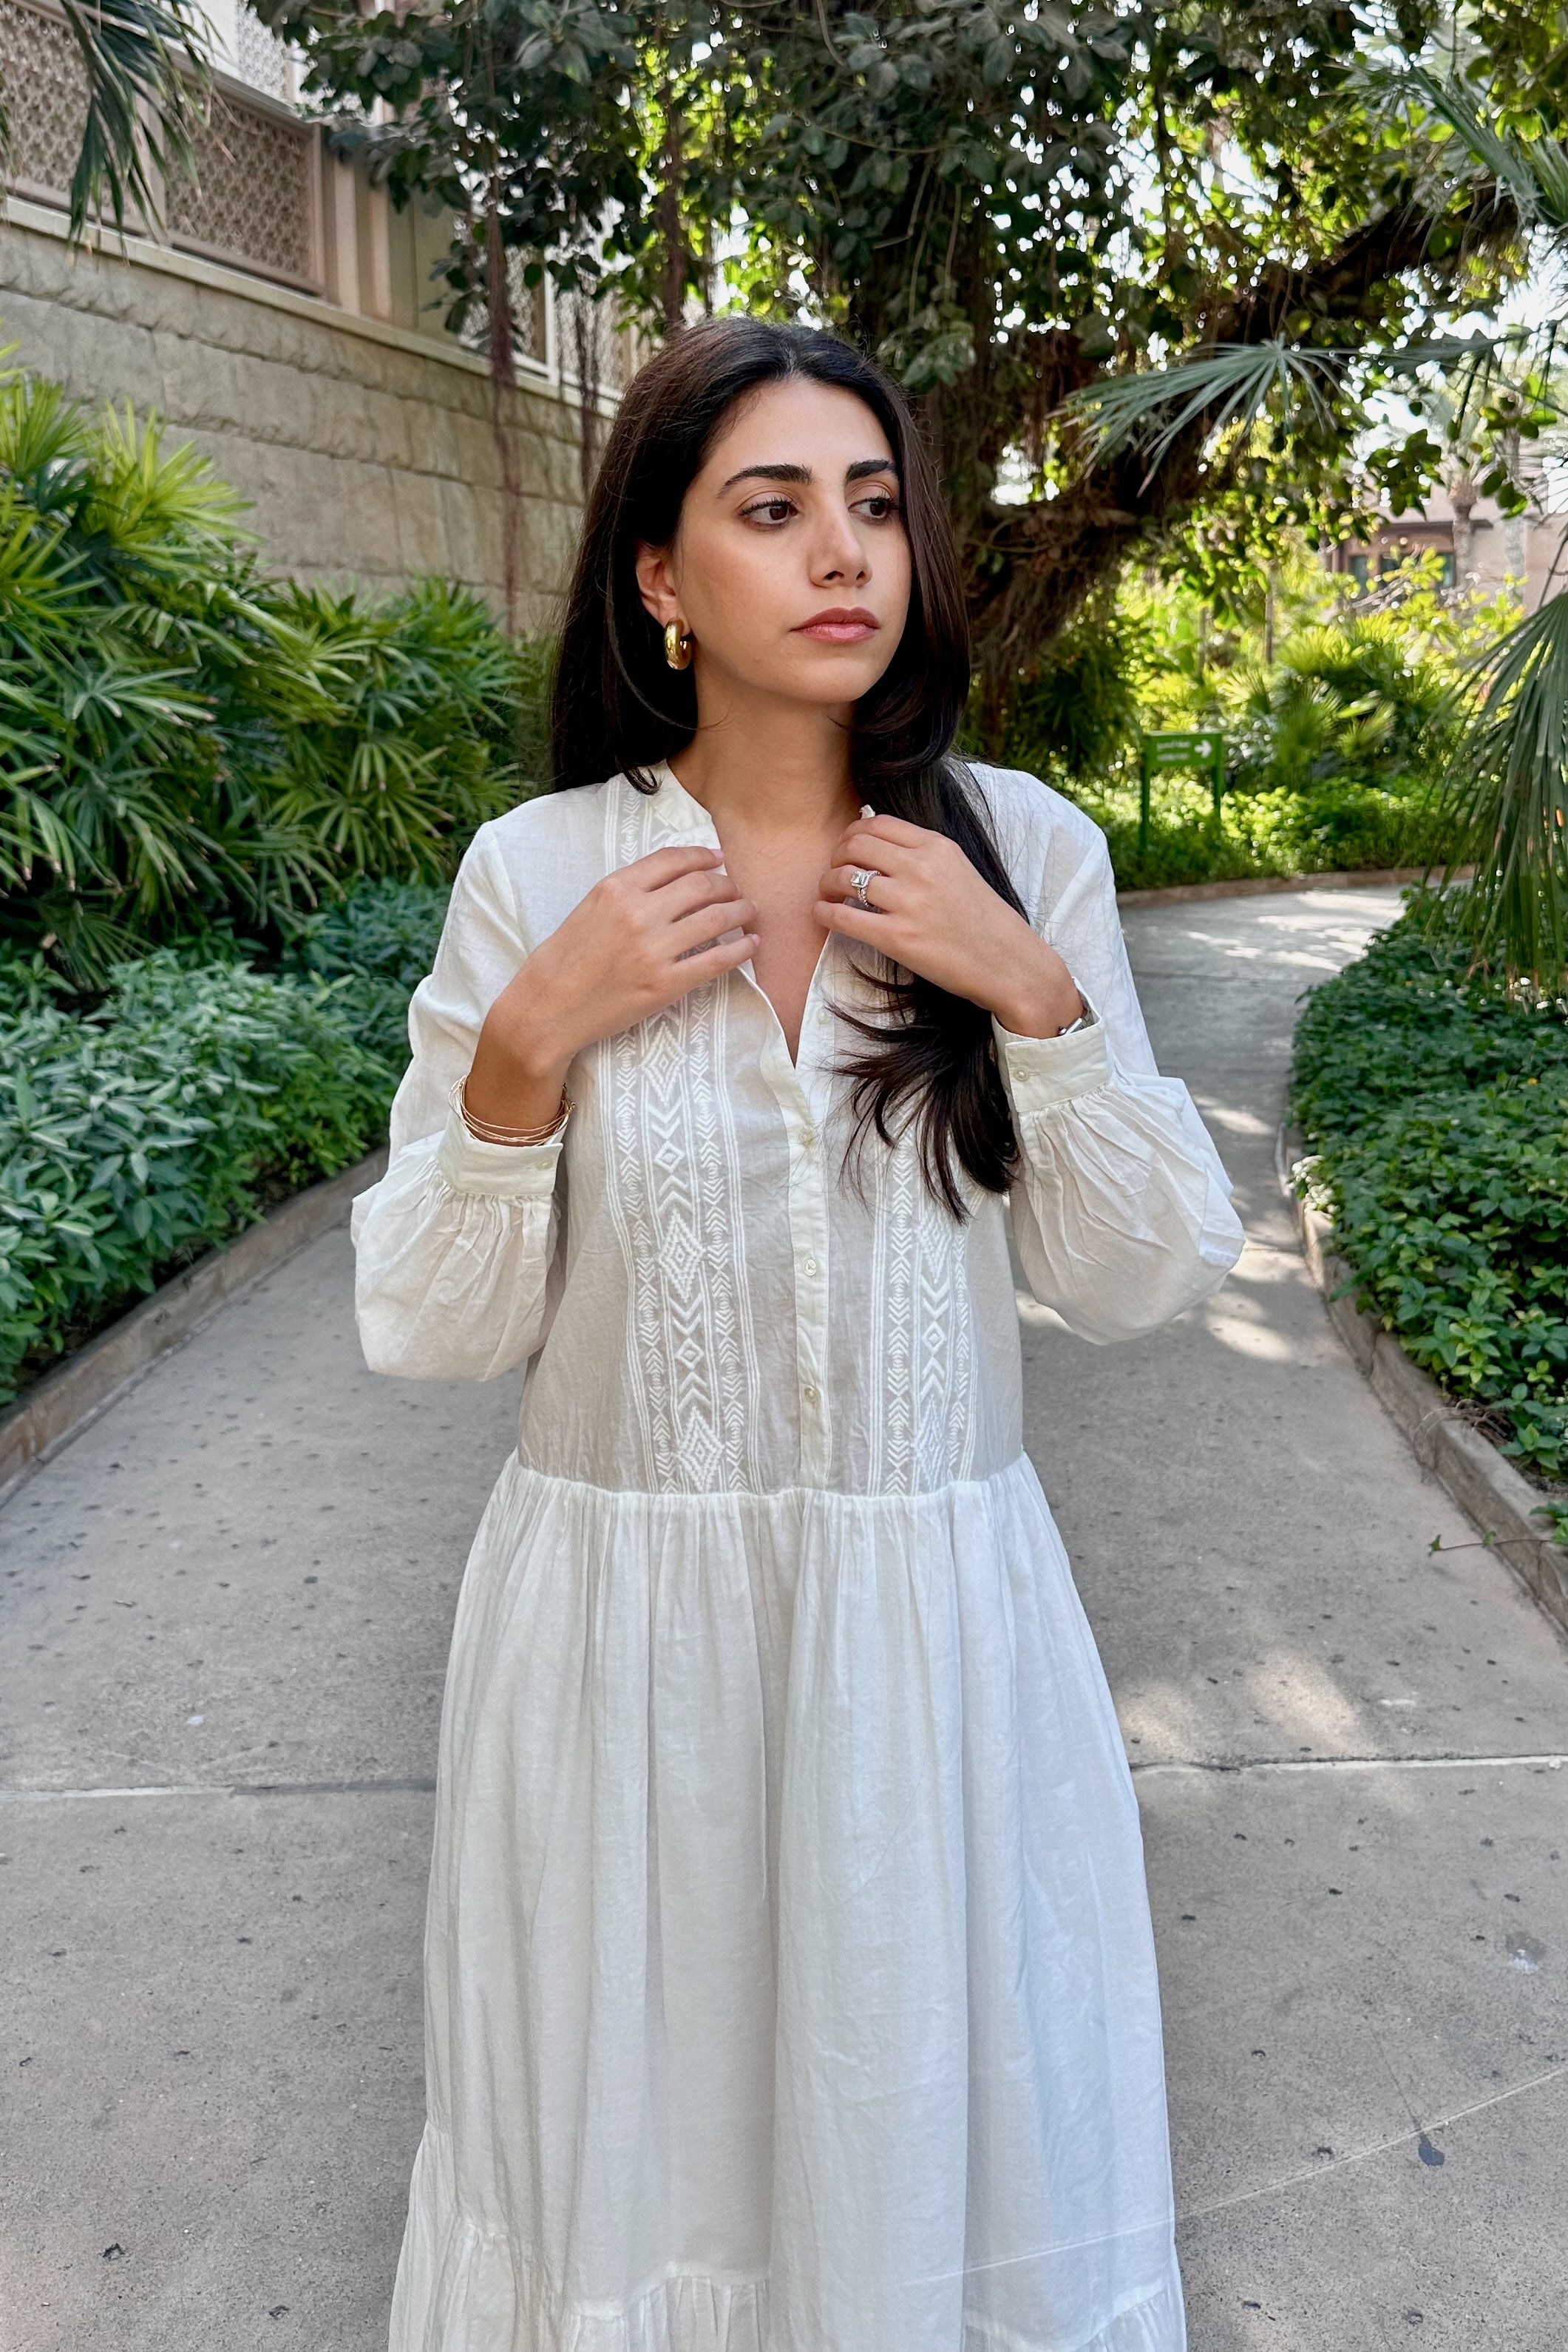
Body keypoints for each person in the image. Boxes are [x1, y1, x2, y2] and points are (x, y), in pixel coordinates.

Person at [350, 315, 1245, 2352]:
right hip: (614, 1674)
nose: (844, 553)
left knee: (914, 2160)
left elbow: (1133, 1280)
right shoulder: (538, 876)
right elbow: (431, 1324)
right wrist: (523, 1051)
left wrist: (1033, 996)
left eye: (874, 506)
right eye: (770, 509)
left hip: (933, 1661)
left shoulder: (1023, 855)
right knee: (625, 2174)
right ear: (660, 579)